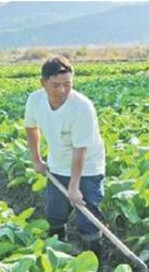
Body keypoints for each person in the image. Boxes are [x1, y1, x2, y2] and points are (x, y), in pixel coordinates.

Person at [24, 55, 106, 256]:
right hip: (58, 163)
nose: (62, 91)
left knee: (88, 217)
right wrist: (37, 160)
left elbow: (80, 151)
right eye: (55, 85)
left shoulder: (82, 108)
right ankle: (58, 254)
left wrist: (74, 187)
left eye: (67, 85)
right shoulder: (35, 100)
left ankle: (94, 265)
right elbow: (31, 128)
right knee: (54, 213)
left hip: (87, 167)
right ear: (43, 83)